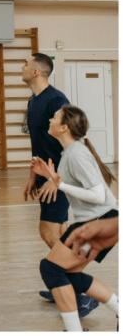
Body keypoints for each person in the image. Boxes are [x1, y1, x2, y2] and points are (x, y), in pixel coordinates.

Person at [20, 53, 96, 315]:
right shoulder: (33, 102)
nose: (23, 66)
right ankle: (62, 286)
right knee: (59, 232)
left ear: (37, 71)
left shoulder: (56, 99)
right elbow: (38, 144)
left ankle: (82, 293)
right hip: (46, 174)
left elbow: (71, 141)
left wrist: (57, 180)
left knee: (49, 234)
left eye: (26, 63)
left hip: (60, 176)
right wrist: (33, 175)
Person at [34, 105, 118, 332]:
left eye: (55, 117)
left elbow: (98, 194)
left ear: (63, 128)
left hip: (100, 222)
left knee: (51, 269)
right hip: (103, 222)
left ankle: (74, 330)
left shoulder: (76, 154)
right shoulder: (70, 153)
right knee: (67, 273)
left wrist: (60, 184)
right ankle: (119, 308)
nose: (51, 119)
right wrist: (50, 177)